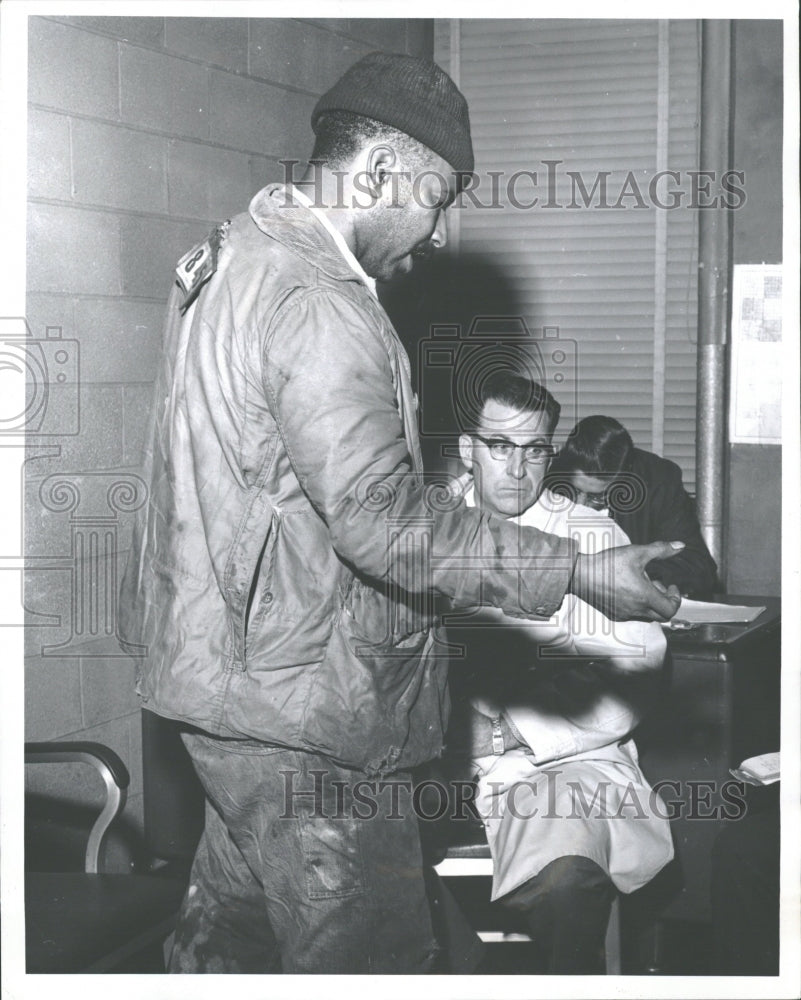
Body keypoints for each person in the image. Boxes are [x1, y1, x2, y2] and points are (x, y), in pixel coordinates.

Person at [119, 52, 683, 974]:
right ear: (377, 171)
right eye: (433, 198)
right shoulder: (323, 303)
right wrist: (579, 569)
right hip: (309, 713)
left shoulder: (232, 253)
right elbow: (380, 518)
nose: (432, 232)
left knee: (233, 943)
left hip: (222, 694)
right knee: (369, 962)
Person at [445, 371, 674, 973]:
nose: (518, 470)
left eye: (535, 449)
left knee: (566, 877)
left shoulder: (592, 537)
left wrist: (508, 733)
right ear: (469, 449)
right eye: (500, 447)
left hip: (560, 762)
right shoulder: (426, 532)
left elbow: (635, 669)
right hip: (428, 754)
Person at [548, 414, 718, 595]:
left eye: (596, 497)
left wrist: (647, 577)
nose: (581, 506)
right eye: (574, 492)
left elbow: (697, 564)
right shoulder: (544, 476)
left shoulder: (659, 479)